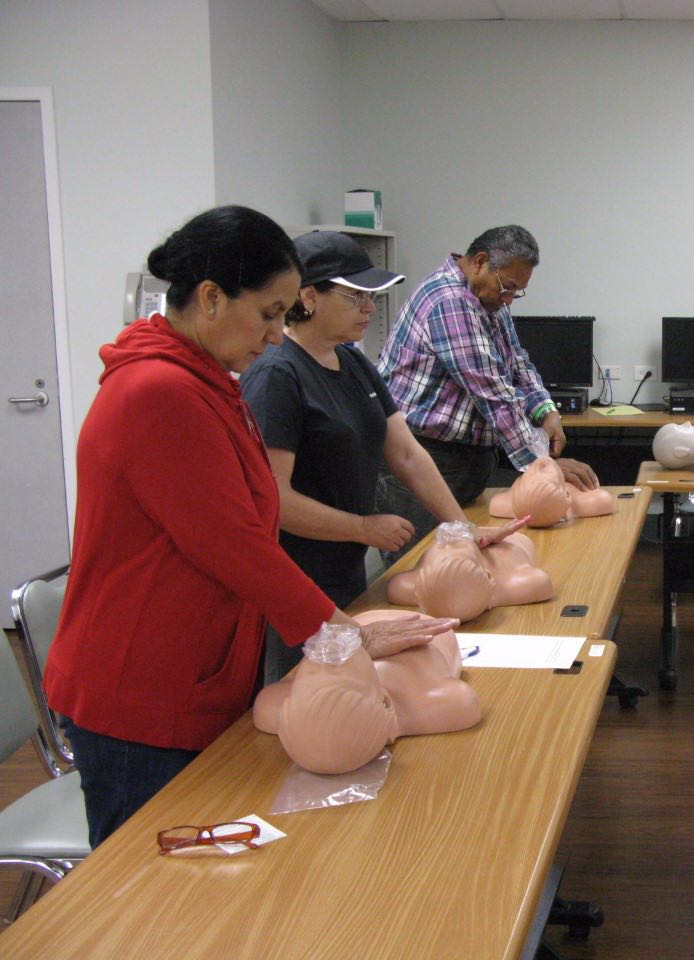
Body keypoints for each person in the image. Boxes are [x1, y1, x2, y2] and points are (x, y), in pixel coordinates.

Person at [42, 206, 443, 848]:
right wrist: (343, 639)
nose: (279, 335)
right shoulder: (157, 394)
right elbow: (235, 547)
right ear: (209, 298)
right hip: (139, 690)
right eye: (268, 314)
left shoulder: (206, 382)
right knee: (150, 892)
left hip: (194, 668)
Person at [240, 231, 515, 682]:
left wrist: (459, 526)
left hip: (345, 573)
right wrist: (363, 528)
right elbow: (274, 500)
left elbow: (406, 452)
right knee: (305, 700)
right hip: (294, 583)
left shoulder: (352, 363)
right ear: (308, 297)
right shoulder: (277, 375)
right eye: (356, 297)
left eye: (374, 297)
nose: (370, 309)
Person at [375, 225, 598, 562]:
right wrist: (544, 465)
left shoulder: (488, 298)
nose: (509, 299)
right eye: (507, 288)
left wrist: (546, 410)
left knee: (467, 559)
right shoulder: (450, 302)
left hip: (460, 459)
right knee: (425, 570)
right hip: (423, 457)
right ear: (480, 261)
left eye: (517, 292)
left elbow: (516, 361)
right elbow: (493, 392)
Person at [252, 619, 481, 776]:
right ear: (385, 701)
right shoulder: (428, 703)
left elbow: (266, 704)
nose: (328, 653)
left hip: (361, 624)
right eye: (341, 669)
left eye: (312, 671)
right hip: (415, 629)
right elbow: (465, 702)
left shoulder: (291, 714)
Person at [385, 521, 553, 622]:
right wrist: (490, 595)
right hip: (511, 544)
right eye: (461, 547)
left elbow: (395, 588)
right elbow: (541, 582)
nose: (449, 541)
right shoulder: (512, 581)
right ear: (487, 575)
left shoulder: (409, 587)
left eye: (442, 551)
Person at [488, 455, 616, 526]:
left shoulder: (508, 503)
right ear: (566, 495)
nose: (540, 464)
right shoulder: (589, 501)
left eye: (532, 476)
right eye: (548, 479)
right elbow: (605, 500)